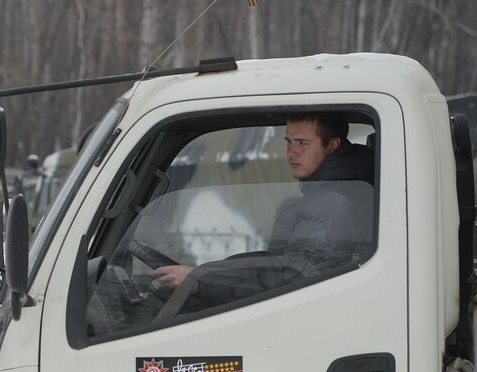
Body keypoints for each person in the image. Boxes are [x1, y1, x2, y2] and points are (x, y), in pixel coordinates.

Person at [153, 111, 375, 306]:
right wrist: (204, 272)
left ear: (332, 146)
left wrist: (201, 280)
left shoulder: (332, 203)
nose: (291, 152)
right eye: (289, 141)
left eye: (302, 143)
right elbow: (278, 262)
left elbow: (293, 279)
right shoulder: (334, 192)